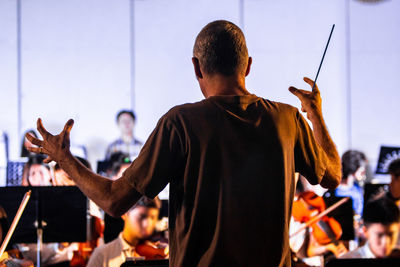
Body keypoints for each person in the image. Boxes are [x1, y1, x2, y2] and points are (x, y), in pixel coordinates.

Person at [26, 20, 341, 266]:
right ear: (247, 66)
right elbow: (332, 177)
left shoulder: (180, 123)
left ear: (196, 67)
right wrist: (315, 114)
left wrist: (63, 157)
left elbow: (113, 201)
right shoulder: (288, 119)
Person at [87, 197, 167, 267]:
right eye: (142, 217)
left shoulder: (162, 252)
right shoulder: (102, 255)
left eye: (153, 217)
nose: (147, 224)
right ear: (124, 214)